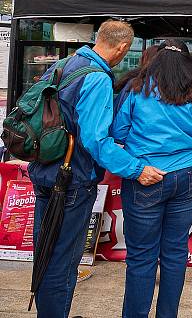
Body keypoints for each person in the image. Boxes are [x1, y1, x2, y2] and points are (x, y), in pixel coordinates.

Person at [28, 19, 141, 318]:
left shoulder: (66, 64)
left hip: (44, 171)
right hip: (72, 180)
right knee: (63, 262)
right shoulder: (97, 78)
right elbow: (95, 140)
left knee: (47, 255)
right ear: (123, 48)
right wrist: (135, 169)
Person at [112, 40, 192, 318]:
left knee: (141, 256)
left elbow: (119, 132)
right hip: (188, 174)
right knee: (175, 252)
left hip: (146, 176)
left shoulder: (136, 88)